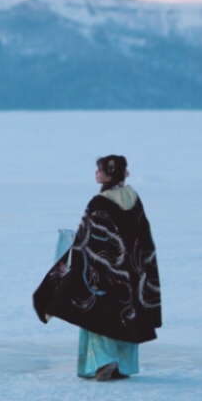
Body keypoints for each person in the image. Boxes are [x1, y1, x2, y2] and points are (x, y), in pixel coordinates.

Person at [32, 154, 161, 380]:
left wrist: (68, 244)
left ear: (109, 174)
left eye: (99, 170)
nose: (96, 173)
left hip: (102, 273)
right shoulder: (133, 199)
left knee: (95, 315)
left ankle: (103, 362)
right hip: (130, 272)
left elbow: (86, 239)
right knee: (125, 316)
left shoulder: (99, 203)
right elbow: (143, 238)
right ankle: (123, 365)